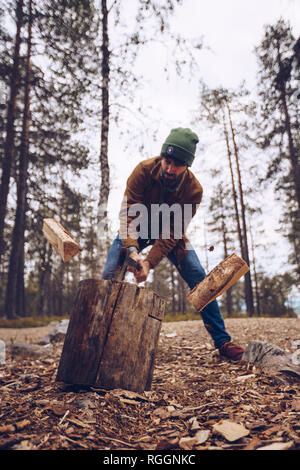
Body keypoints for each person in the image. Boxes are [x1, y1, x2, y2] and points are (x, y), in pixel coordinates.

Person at [102, 128, 244, 361]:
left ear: (187, 165)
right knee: (109, 274)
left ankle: (223, 341)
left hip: (170, 233)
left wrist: (148, 262)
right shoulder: (142, 171)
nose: (170, 169)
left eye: (177, 164)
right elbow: (128, 215)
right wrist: (133, 251)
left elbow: (172, 232)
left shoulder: (193, 190)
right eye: (167, 161)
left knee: (198, 275)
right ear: (162, 157)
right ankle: (100, 336)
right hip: (136, 228)